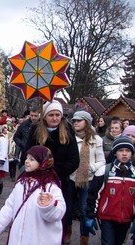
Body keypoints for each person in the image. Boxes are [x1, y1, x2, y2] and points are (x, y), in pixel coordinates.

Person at [22, 100, 79, 244]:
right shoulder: (36, 130)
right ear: (45, 116)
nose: (55, 118)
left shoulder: (68, 131)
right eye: (51, 115)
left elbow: (74, 160)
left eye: (57, 115)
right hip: (36, 178)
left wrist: (54, 172)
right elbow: (26, 153)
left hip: (59, 180)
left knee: (57, 211)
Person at [0, 146, 66, 244]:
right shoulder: (21, 183)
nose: (26, 161)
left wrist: (49, 206)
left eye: (32, 159)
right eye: (26, 158)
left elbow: (58, 213)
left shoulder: (51, 187)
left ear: (43, 163)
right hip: (18, 238)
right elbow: (9, 207)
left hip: (40, 239)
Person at [85, 136, 135, 245]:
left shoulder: (134, 174)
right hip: (107, 218)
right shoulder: (104, 171)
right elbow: (93, 194)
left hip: (126, 219)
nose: (124, 154)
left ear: (131, 153)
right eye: (121, 150)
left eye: (127, 150)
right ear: (115, 153)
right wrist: (90, 215)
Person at [68, 111, 105, 245]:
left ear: (87, 122)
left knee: (84, 210)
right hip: (71, 177)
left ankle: (84, 238)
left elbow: (102, 161)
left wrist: (92, 167)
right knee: (68, 207)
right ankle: (67, 233)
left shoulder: (96, 139)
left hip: (88, 179)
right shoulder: (69, 137)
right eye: (74, 121)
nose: (75, 123)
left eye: (79, 120)